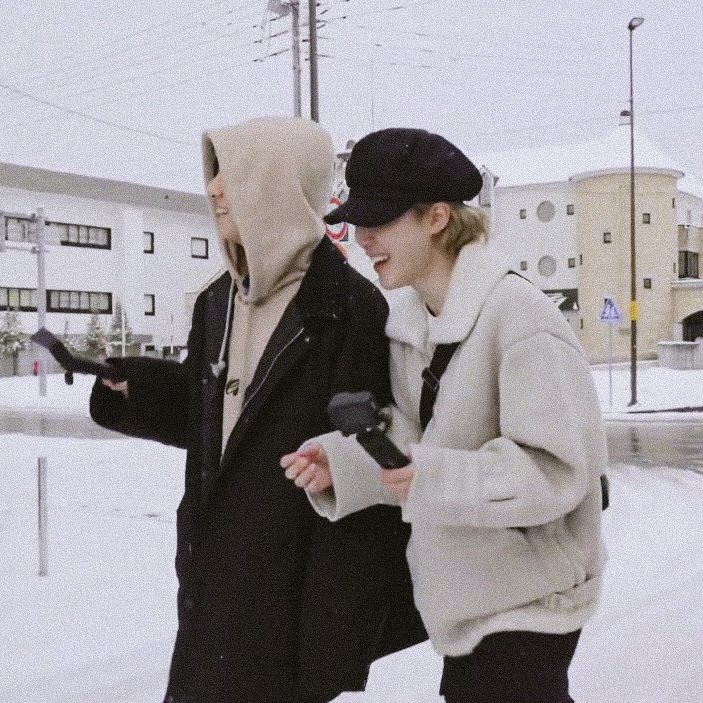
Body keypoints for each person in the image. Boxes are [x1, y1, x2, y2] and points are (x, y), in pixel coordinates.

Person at [90, 117, 425, 703]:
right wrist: (136, 393)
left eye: (231, 175)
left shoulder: (351, 310)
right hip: (209, 579)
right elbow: (217, 420)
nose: (214, 189)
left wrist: (336, 632)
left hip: (292, 602)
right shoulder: (217, 300)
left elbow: (377, 450)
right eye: (213, 176)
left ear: (275, 186)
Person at [281, 127, 608, 703]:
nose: (363, 240)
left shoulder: (520, 319)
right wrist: (345, 463)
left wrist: (433, 478)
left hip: (529, 601)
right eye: (358, 223)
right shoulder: (413, 322)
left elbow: (555, 471)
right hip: (473, 597)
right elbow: (420, 436)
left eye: (380, 223)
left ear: (436, 218)